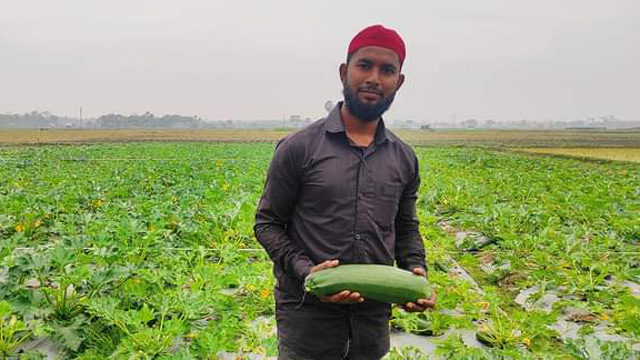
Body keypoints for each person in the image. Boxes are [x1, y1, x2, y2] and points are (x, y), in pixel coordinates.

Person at [254, 24, 437, 360]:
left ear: (399, 81)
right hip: (307, 321)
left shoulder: (404, 157)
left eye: (387, 70)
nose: (374, 78)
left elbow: (406, 227)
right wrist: (306, 271)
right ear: (344, 72)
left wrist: (416, 269)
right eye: (364, 65)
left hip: (372, 322)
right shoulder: (298, 149)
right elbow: (267, 224)